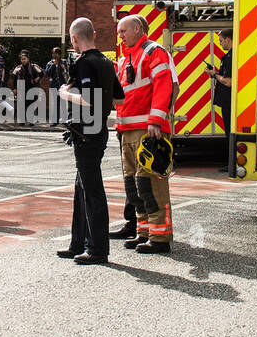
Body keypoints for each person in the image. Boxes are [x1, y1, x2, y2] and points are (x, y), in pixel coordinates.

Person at [56, 18, 123, 265]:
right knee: (81, 188)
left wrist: (65, 93)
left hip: (86, 132)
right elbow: (119, 98)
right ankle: (78, 243)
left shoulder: (84, 63)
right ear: (93, 34)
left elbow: (90, 98)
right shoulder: (106, 61)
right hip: (97, 130)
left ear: (74, 39)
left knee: (92, 189)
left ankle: (97, 249)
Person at [112, 14, 177, 254]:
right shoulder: (126, 57)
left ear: (138, 29)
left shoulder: (153, 52)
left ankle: (160, 238)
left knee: (151, 184)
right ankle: (144, 232)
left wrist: (156, 121)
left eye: (123, 31)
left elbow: (164, 86)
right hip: (128, 131)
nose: (120, 35)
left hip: (147, 131)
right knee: (135, 185)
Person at [210, 28, 234, 173]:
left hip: (229, 102)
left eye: (221, 41)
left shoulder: (230, 58)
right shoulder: (231, 56)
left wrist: (215, 75)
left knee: (230, 133)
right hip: (229, 101)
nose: (220, 44)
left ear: (228, 40)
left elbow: (229, 81)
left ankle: (231, 164)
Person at [10, 50, 44, 124]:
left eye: (25, 59)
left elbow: (42, 73)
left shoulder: (33, 67)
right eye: (22, 59)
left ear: (28, 59)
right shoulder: (18, 68)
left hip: (31, 88)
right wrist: (14, 88)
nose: (23, 60)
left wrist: (37, 79)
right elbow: (14, 79)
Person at [44, 46, 68, 125]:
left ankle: (65, 120)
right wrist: (53, 65)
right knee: (55, 104)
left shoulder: (63, 62)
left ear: (59, 55)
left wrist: (64, 68)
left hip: (63, 86)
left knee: (63, 104)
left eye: (57, 53)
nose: (56, 55)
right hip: (54, 86)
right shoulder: (50, 63)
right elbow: (47, 73)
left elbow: (68, 73)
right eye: (54, 53)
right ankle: (55, 121)